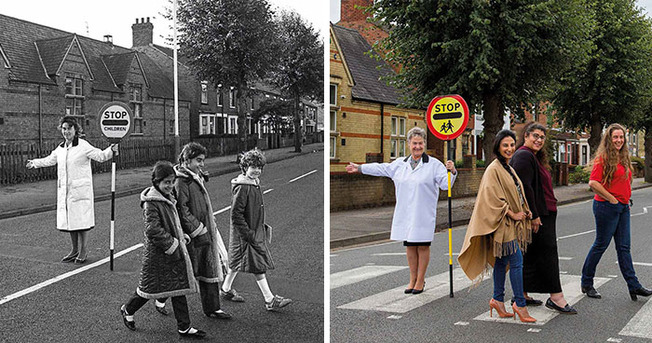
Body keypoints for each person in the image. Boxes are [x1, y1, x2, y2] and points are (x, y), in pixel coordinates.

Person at [346, 126, 456, 294]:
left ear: (424, 144)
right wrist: (360, 168)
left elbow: (445, 185)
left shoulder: (434, 165)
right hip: (406, 213)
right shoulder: (399, 164)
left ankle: (420, 280)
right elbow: (381, 168)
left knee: (423, 246)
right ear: (408, 144)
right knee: (410, 246)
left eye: (420, 143)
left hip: (423, 214)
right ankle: (412, 279)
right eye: (414, 143)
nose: (417, 147)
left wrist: (452, 171)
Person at [120, 161, 205, 339]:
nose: (170, 185)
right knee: (149, 289)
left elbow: (172, 222)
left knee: (178, 287)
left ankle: (184, 327)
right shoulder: (151, 202)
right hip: (159, 254)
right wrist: (173, 243)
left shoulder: (167, 196)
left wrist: (183, 236)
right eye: (166, 182)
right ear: (156, 182)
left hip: (172, 251)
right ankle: (128, 309)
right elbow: (152, 230)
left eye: (172, 181)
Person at [458, 129, 535, 323]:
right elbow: (492, 198)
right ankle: (519, 304)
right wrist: (512, 213)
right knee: (516, 261)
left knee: (502, 262)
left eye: (511, 145)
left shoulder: (508, 167)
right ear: (498, 147)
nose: (509, 149)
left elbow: (516, 192)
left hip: (509, 224)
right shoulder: (493, 169)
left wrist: (525, 210)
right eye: (505, 145)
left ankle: (497, 300)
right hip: (501, 225)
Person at [26, 116, 117, 264]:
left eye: (69, 128)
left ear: (76, 130)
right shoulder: (61, 148)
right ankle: (74, 250)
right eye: (64, 128)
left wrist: (111, 149)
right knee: (71, 222)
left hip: (80, 190)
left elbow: (100, 156)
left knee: (82, 222)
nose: (66, 131)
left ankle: (83, 250)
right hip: (66, 191)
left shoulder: (83, 145)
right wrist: (34, 163)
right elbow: (50, 159)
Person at [155, 143, 231, 319]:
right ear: (187, 160)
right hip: (193, 233)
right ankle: (159, 299)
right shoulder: (182, 180)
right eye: (198, 160)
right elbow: (182, 209)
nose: (202, 164)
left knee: (209, 266)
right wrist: (198, 228)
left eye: (203, 160)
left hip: (205, 228)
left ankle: (213, 308)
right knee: (187, 271)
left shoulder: (194, 176)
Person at [510, 122, 577, 314]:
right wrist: (534, 215)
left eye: (541, 137)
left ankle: (521, 293)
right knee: (548, 254)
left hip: (543, 212)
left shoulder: (532, 156)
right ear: (526, 136)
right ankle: (556, 297)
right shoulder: (524, 155)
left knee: (530, 254)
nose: (538, 140)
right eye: (535, 136)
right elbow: (525, 187)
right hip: (540, 214)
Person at [581, 123, 652, 301]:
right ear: (609, 139)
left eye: (621, 137)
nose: (619, 140)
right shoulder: (603, 158)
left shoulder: (623, 157)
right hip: (606, 207)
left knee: (624, 248)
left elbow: (624, 181)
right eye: (615, 137)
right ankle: (587, 283)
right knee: (600, 245)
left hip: (622, 207)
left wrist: (625, 198)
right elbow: (593, 183)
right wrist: (612, 199)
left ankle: (633, 285)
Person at [220, 148, 292, 310]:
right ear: (245, 167)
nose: (257, 171)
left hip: (251, 232)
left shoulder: (253, 184)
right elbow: (236, 214)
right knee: (258, 265)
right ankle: (270, 300)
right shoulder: (243, 187)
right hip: (246, 234)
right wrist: (249, 234)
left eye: (259, 168)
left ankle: (225, 289)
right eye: (253, 167)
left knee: (236, 262)